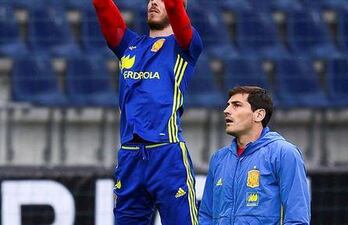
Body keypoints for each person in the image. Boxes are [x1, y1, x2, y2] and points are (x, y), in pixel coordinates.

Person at [92, 0, 203, 224]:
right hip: (130, 156)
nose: (153, 2)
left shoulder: (184, 44)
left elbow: (174, 7)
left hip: (166, 154)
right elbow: (103, 8)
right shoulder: (128, 45)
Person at [199, 86, 311, 225]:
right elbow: (206, 215)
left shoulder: (284, 153)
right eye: (228, 105)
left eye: (236, 105)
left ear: (259, 115)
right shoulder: (219, 159)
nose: (226, 111)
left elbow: (297, 218)